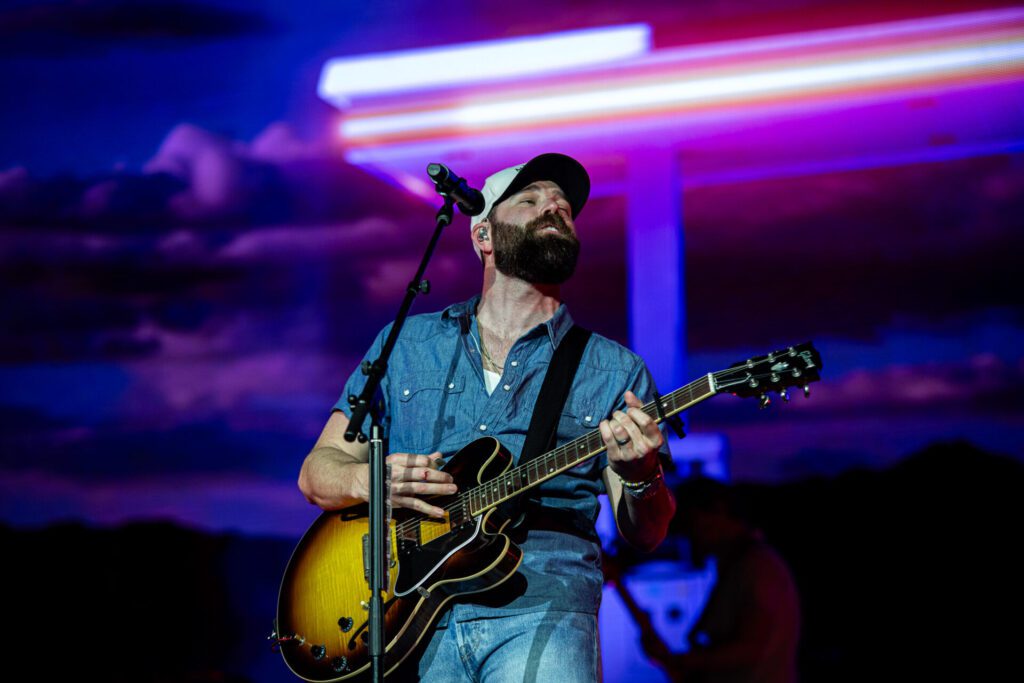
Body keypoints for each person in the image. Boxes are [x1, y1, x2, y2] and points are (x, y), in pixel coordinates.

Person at [297, 152, 676, 681]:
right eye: (531, 199)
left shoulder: (614, 369)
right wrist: (370, 479)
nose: (556, 207)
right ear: (483, 237)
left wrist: (642, 477)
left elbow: (648, 533)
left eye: (564, 206)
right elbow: (317, 473)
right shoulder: (406, 343)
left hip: (545, 600)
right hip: (408, 616)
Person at [641, 477, 800, 683]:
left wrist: (686, 661)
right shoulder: (741, 565)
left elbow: (752, 649)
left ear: (718, 510)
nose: (689, 536)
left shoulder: (757, 566)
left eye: (692, 522)